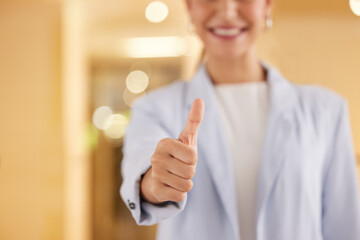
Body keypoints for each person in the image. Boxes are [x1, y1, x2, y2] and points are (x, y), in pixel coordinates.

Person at [120, 0, 360, 239]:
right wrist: (158, 180)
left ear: (267, 5)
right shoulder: (153, 109)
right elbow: (142, 175)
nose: (226, 11)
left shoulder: (328, 111)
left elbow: (345, 226)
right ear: (190, 6)